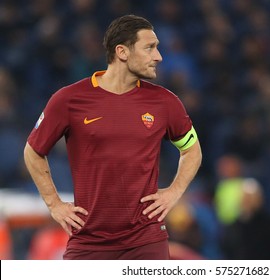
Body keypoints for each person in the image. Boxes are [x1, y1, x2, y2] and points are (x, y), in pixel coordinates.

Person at [23, 14, 202, 260]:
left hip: (147, 241)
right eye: (149, 48)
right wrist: (54, 204)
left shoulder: (166, 102)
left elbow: (192, 150)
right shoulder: (69, 99)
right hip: (88, 242)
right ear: (122, 52)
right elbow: (33, 151)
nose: (158, 56)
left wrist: (174, 191)